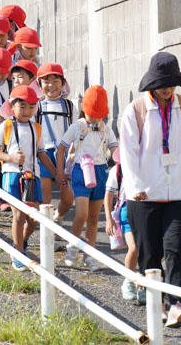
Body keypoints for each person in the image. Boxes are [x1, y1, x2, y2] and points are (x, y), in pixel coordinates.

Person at [118, 51, 181, 326]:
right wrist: (135, 185)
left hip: (180, 193)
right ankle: (156, 303)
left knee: (175, 249)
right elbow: (127, 152)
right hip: (144, 195)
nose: (168, 88)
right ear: (151, 82)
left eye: (172, 83)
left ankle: (177, 304)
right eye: (163, 83)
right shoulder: (136, 110)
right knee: (150, 253)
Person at [0, 84, 58, 271]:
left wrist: (56, 174)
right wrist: (11, 158)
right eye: (22, 106)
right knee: (18, 216)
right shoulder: (6, 125)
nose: (27, 110)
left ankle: (21, 242)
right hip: (12, 175)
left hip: (32, 176)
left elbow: (42, 153)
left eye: (31, 106)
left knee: (34, 219)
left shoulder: (36, 127)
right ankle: (18, 253)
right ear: (12, 106)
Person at [57, 85, 117, 271]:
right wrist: (60, 171)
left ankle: (90, 255)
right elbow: (61, 149)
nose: (96, 118)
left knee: (93, 218)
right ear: (84, 109)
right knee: (81, 214)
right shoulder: (77, 126)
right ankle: (72, 247)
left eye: (99, 114)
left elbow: (115, 151)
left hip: (100, 173)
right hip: (80, 172)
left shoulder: (106, 129)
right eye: (92, 114)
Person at [35, 63, 76, 221]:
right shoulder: (36, 107)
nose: (51, 85)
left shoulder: (69, 106)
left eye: (55, 81)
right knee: (45, 196)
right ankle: (47, 229)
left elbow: (75, 130)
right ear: (39, 84)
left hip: (65, 155)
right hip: (43, 154)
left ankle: (57, 217)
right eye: (46, 81)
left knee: (67, 199)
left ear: (63, 83)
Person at [105, 153, 140, 301]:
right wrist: (109, 219)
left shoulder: (146, 165)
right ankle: (128, 281)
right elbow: (108, 195)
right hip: (126, 211)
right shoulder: (117, 170)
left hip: (146, 209)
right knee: (134, 247)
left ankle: (143, 284)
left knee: (148, 249)